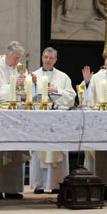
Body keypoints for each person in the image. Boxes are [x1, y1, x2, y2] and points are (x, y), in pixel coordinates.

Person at [0, 41, 35, 199]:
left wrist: (29, 84)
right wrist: (14, 86)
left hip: (17, 114)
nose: (17, 61)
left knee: (16, 148)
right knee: (1, 150)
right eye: (15, 58)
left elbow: (27, 92)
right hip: (0, 113)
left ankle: (13, 188)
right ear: (7, 54)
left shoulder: (20, 68)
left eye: (19, 58)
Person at [30, 47, 75, 194]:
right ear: (41, 58)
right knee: (39, 150)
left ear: (55, 60)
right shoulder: (33, 75)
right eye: (45, 57)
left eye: (51, 58)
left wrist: (57, 91)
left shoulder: (63, 77)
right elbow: (25, 96)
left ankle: (57, 184)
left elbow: (71, 96)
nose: (48, 60)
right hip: (39, 120)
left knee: (57, 148)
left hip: (57, 120)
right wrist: (34, 85)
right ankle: (39, 185)